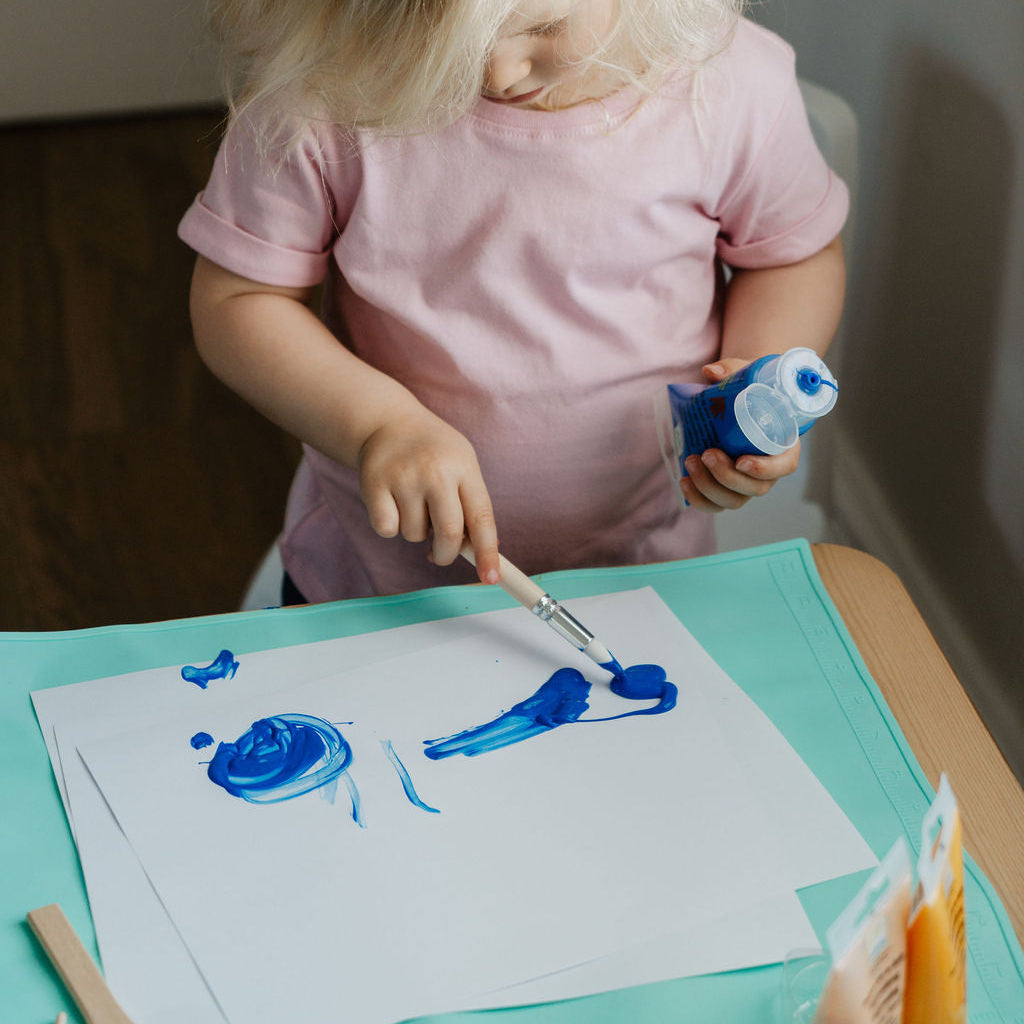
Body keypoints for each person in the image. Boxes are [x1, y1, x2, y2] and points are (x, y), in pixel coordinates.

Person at [180, 0, 847, 605]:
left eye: (541, 27)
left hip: (641, 573)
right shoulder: (329, 88)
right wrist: (378, 424)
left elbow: (791, 257)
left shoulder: (728, 84)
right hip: (374, 583)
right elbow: (240, 299)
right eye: (421, 24)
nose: (498, 73)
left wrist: (755, 380)